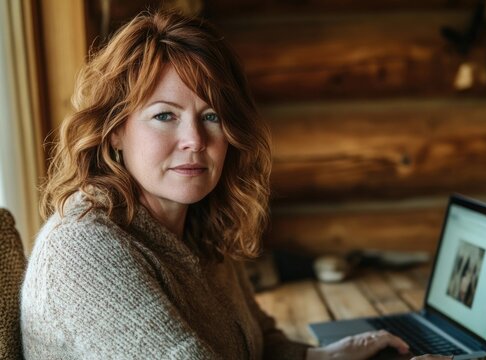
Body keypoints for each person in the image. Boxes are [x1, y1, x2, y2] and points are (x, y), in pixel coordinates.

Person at [20, 10, 450, 360]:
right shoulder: (82, 249)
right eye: (165, 115)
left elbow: (258, 343)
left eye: (211, 116)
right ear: (115, 131)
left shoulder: (198, 225)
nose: (195, 140)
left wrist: (325, 357)